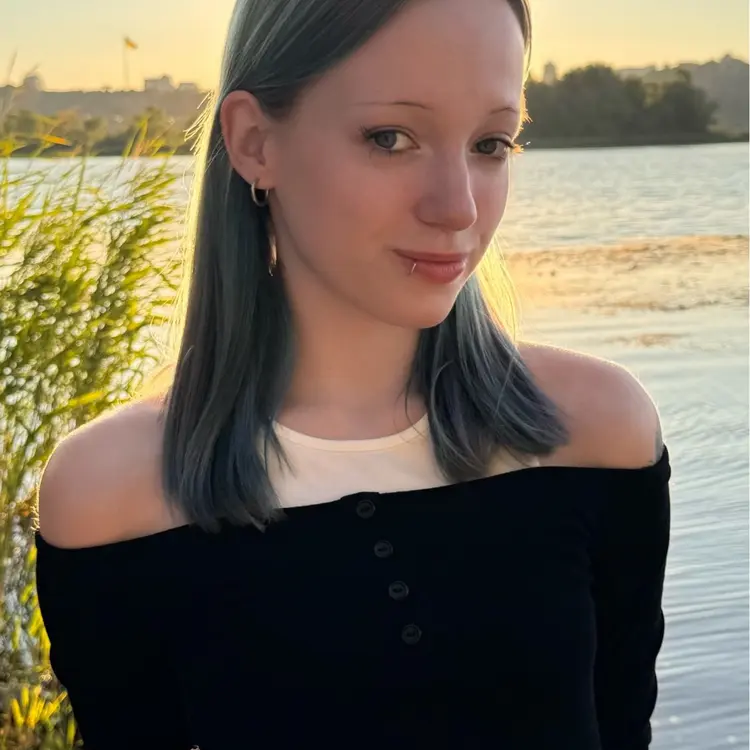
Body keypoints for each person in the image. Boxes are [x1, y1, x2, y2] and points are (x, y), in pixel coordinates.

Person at [34, 0, 671, 747]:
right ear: (254, 143)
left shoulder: (597, 432)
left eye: (491, 144)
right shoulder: (111, 493)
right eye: (390, 138)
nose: (458, 208)